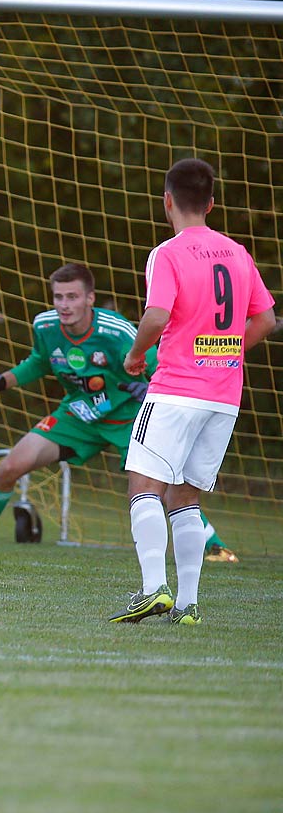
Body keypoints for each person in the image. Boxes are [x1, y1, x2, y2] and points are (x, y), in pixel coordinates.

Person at [0, 263, 237, 560]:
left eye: (72, 296)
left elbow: (157, 359)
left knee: (160, 490)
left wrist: (148, 388)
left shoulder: (115, 330)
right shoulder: (45, 326)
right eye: (58, 297)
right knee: (9, 466)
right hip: (79, 415)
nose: (64, 304)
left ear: (90, 299)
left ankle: (215, 546)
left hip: (130, 417)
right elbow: (38, 362)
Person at [109, 158, 274, 625]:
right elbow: (264, 320)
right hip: (223, 395)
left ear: (167, 201)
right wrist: (220, 349)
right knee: (187, 497)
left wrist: (135, 355)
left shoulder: (169, 253)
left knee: (143, 484)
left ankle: (152, 589)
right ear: (212, 203)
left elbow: (157, 316)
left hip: (177, 388)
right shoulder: (238, 253)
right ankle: (187, 605)